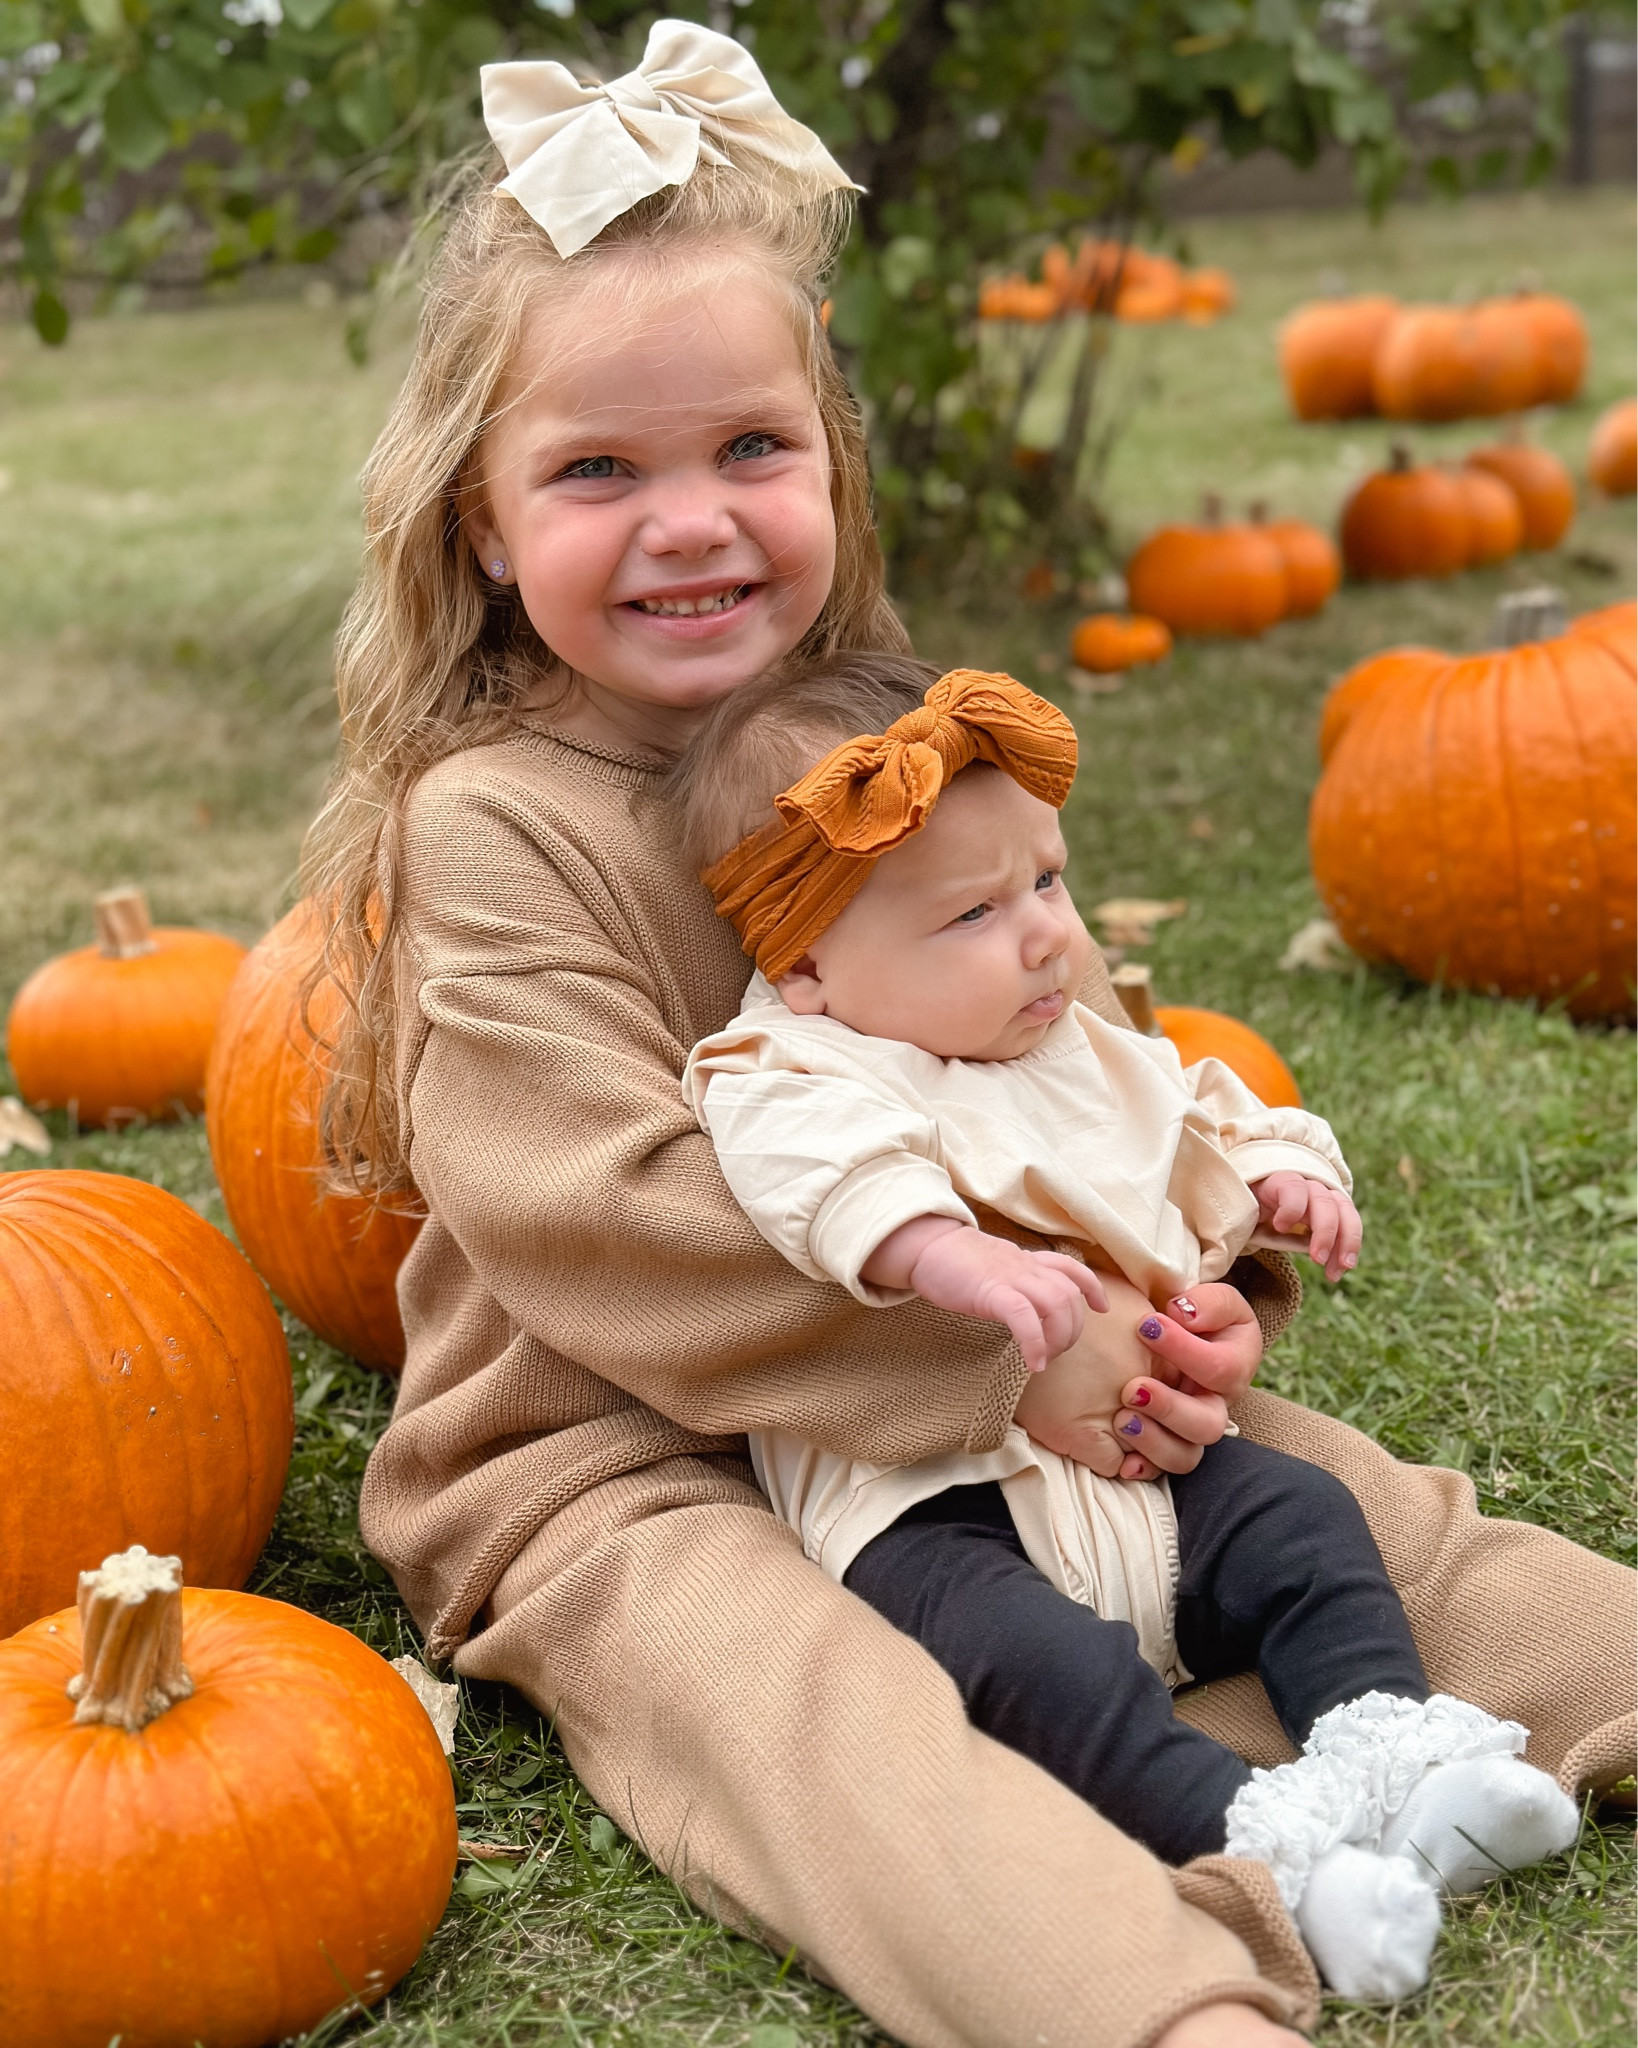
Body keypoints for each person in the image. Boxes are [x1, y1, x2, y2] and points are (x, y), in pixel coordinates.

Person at [300, 21, 1636, 2047]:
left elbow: (1070, 1022)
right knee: (819, 1720)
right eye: (596, 472)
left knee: (1341, 1507)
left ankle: (1475, 1703)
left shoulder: (889, 743)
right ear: (483, 522)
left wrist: (1190, 1287)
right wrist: (1006, 1334)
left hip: (1028, 1365)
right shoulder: (490, 824)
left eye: (752, 448)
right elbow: (606, 1218)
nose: (691, 523)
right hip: (624, 1455)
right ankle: (1161, 1991)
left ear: (830, 457)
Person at [675, 652, 1581, 2001]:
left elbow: (1199, 1106)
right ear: (805, 961)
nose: (1044, 933)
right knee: (1040, 1666)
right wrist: (950, 1262)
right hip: (935, 1504)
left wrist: (1280, 1182)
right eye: (973, 912)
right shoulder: (795, 1062)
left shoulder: (1063, 1040)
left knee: (1301, 1523)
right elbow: (820, 1178)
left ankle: (1394, 1758)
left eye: (1045, 881)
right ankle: (1269, 1854)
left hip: (1147, 1467)